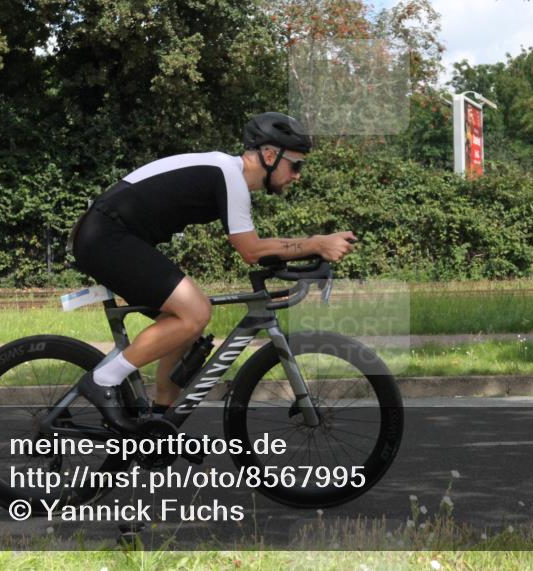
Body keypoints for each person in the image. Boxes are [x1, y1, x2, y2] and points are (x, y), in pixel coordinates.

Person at [70, 112, 356, 432]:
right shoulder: (228, 173)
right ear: (271, 155)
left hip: (112, 237)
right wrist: (316, 243)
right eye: (296, 165)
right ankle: (103, 380)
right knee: (195, 311)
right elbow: (251, 250)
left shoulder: (227, 176)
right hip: (105, 237)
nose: (298, 175)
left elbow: (256, 249)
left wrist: (302, 253)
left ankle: (159, 419)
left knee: (184, 327)